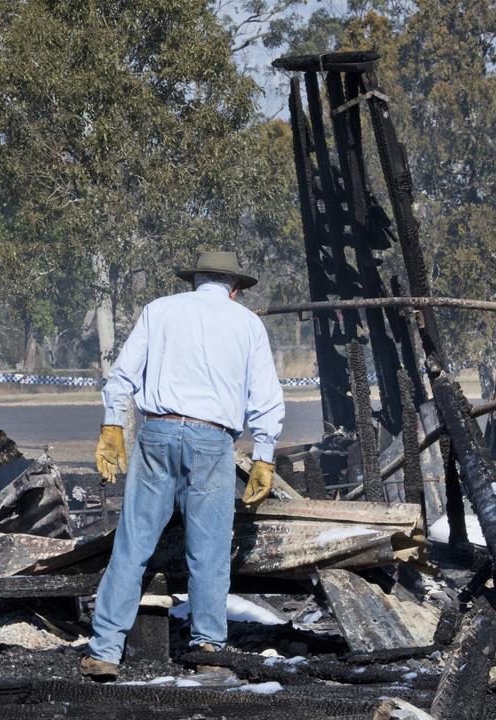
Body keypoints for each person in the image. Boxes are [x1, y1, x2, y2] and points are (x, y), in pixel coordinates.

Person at [80, 250, 285, 680]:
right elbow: (265, 400)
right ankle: (208, 648)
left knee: (132, 545)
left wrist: (112, 427)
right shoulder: (248, 324)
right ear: (234, 288)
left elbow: (121, 378)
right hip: (212, 441)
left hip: (157, 433)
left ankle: (104, 651)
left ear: (195, 281)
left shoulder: (160, 310)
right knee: (208, 551)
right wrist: (264, 456)